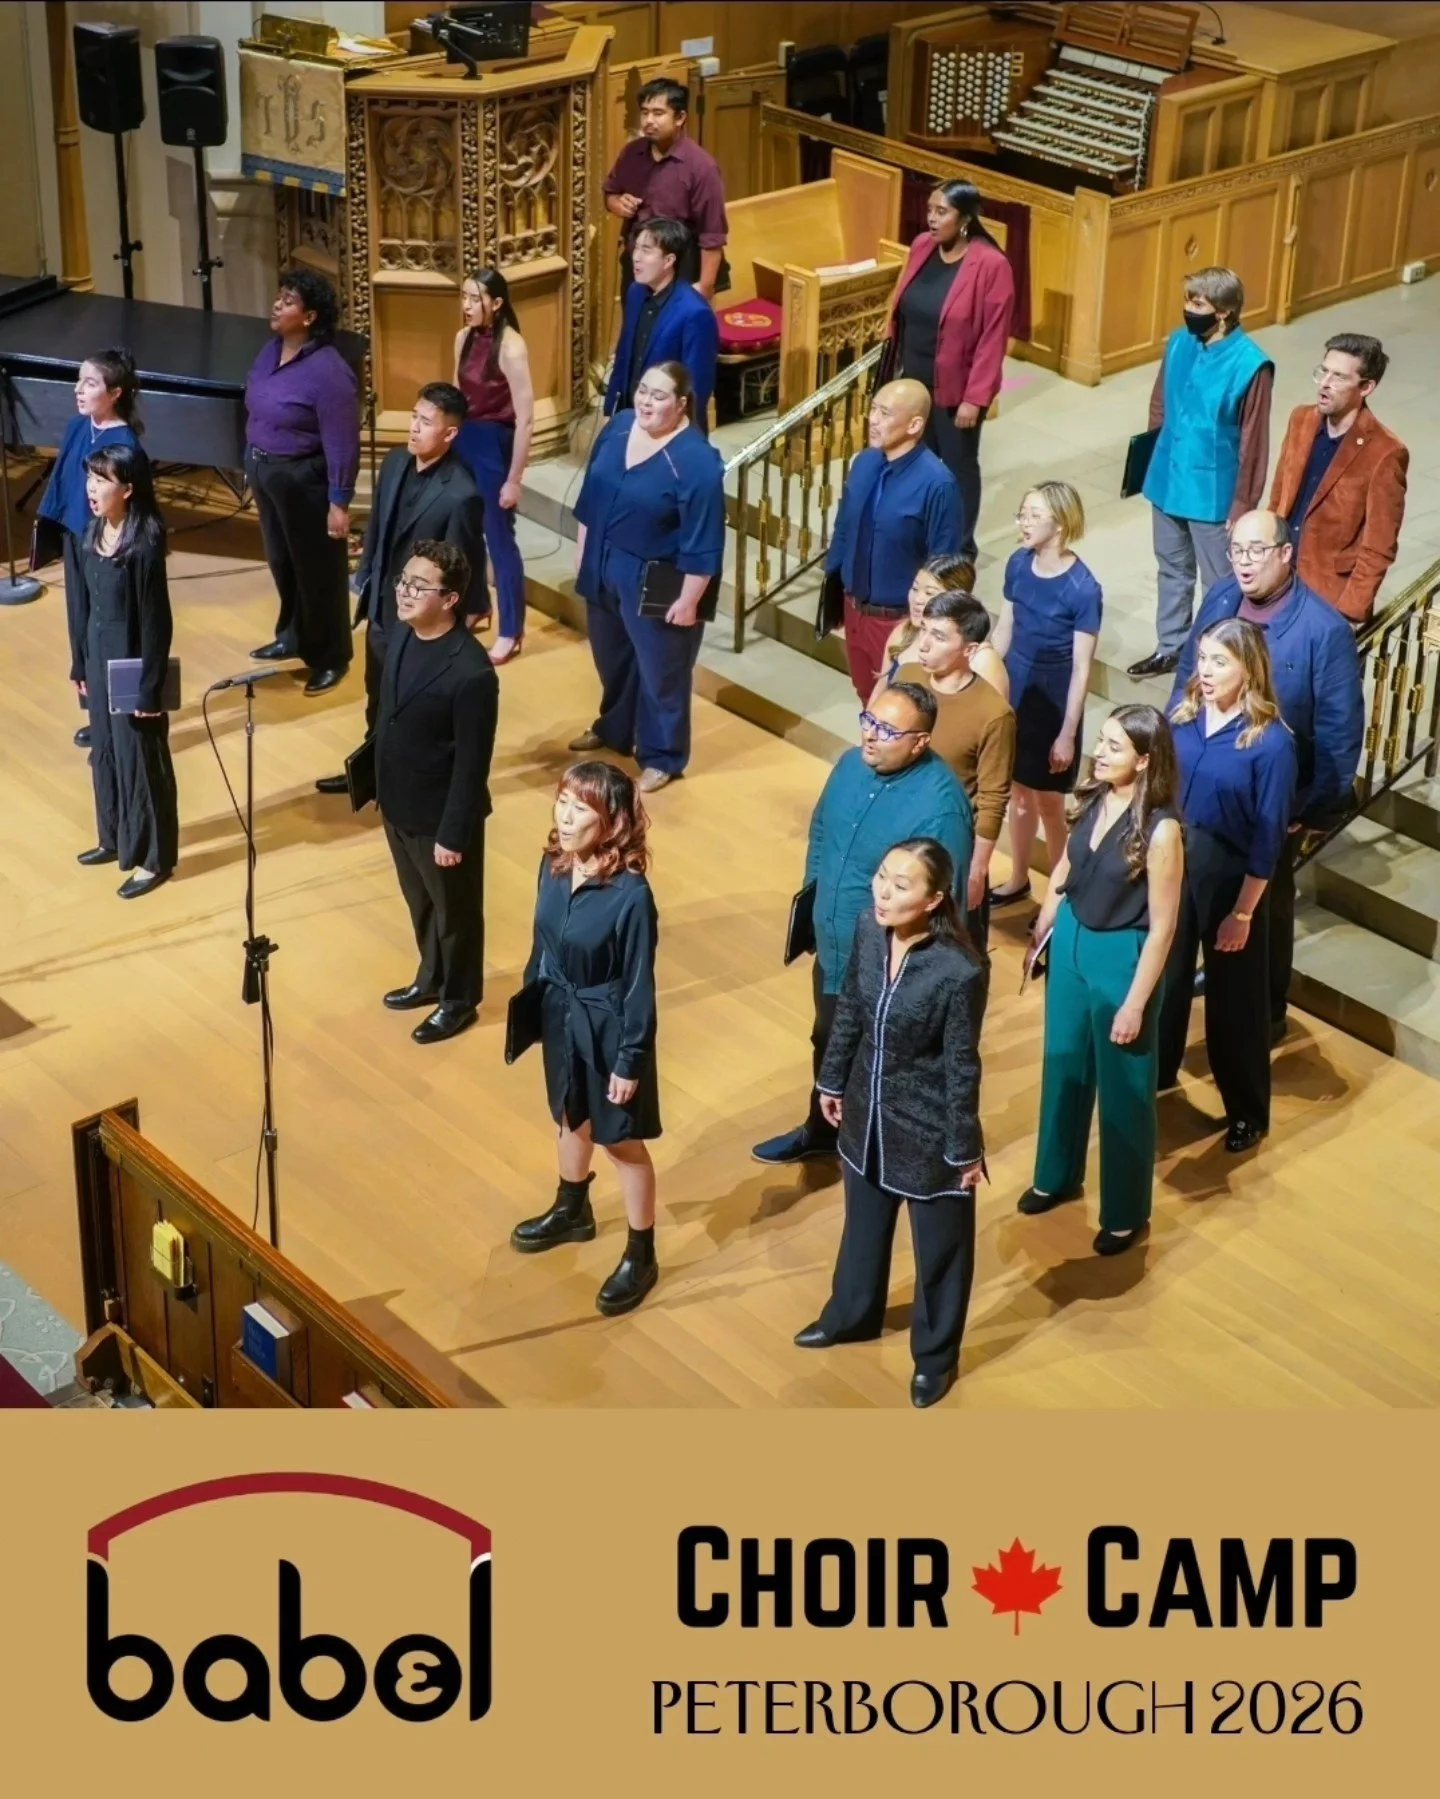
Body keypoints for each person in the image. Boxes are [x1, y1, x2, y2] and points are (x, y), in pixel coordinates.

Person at [795, 839, 986, 1410]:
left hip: (929, 1132)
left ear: (935, 899)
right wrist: (830, 1083)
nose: (883, 891)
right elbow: (849, 1009)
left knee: (941, 1255)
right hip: (864, 1113)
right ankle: (851, 1316)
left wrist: (964, 1150)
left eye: (902, 885)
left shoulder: (959, 970)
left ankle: (935, 1359)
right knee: (861, 1231)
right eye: (882, 877)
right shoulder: (866, 930)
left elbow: (961, 1067)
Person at [752, 683, 972, 1167]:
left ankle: (863, 1144)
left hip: (884, 960)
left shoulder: (941, 807)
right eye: (868, 722)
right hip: (833, 942)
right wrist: (812, 898)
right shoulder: (851, 764)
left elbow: (943, 904)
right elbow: (821, 830)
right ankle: (823, 1130)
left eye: (887, 730)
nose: (870, 737)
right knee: (828, 1038)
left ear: (920, 742)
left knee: (872, 1054)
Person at [1168, 510, 1363, 1039]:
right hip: (1205, 789)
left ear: (1285, 553)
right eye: (1236, 551)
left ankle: (1266, 1014)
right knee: (1196, 900)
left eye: (1257, 551)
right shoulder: (1221, 598)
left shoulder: (1323, 632)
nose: (1244, 563)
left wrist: (1307, 808)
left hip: (1273, 803)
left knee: (1265, 913)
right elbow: (1187, 679)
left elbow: (1340, 734)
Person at [1019, 706, 1184, 1253]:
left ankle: (1125, 1212)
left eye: (1114, 746)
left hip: (1123, 956)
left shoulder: (1163, 832)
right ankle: (1057, 1175)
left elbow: (1163, 929)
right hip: (1072, 937)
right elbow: (1068, 860)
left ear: (1143, 762)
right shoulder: (1094, 795)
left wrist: (1136, 1003)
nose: (1101, 752)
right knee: (1063, 1061)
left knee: (1125, 1091)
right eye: (1103, 741)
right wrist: (1047, 915)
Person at [510, 762, 662, 1317]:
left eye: (581, 808)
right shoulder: (551, 866)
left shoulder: (631, 896)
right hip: (560, 1014)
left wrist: (630, 1062)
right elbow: (541, 945)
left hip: (610, 1028)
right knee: (569, 1116)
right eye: (563, 802)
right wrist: (531, 1008)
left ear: (612, 822)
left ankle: (641, 1255)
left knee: (621, 1144)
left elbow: (640, 987)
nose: (566, 816)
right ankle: (572, 1209)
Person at [1159, 620, 1296, 1152]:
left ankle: (1246, 1111)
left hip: (1231, 877)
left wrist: (1242, 913)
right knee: (1166, 980)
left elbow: (1268, 838)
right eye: (1203, 658)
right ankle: (1159, 1073)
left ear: (1249, 669)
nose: (1206, 671)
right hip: (1177, 863)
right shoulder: (1184, 718)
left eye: (1219, 661)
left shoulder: (1272, 743)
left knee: (1235, 1004)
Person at [315, 383, 489, 796]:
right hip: (380, 609)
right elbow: (378, 528)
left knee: (406, 708)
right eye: (414, 416)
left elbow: (460, 573)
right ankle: (371, 775)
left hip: (419, 623)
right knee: (377, 698)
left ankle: (404, 785)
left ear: (449, 434)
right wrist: (367, 581)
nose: (413, 427)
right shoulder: (394, 463)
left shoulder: (462, 494)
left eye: (425, 422)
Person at [567, 361, 724, 795]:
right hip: (603, 561)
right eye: (643, 390)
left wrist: (690, 600)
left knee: (662, 672)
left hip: (658, 577)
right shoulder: (617, 428)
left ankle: (662, 756)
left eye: (659, 396)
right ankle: (615, 728)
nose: (646, 401)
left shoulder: (696, 462)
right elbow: (590, 499)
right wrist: (584, 560)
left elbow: (704, 540)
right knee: (610, 657)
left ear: (682, 405)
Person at [374, 540, 499, 1046]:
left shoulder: (471, 674)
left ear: (449, 600)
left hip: (442, 819)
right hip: (399, 803)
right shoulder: (406, 636)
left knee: (457, 914)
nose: (404, 593)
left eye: (418, 587)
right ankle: (431, 978)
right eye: (404, 581)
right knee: (421, 904)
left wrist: (453, 834)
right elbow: (390, 716)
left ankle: (459, 1000)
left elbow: (472, 765)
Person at [1130, 267, 1274, 678]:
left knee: (1219, 584)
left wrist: (1243, 505)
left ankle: (1216, 659)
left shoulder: (1252, 364)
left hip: (1213, 492)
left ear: (1225, 312)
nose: (1188, 309)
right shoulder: (1179, 342)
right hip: (1167, 480)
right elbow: (1159, 404)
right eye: (1189, 300)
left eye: (1198, 303)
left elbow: (1254, 441)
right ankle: (1170, 648)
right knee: (1171, 569)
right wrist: (1150, 460)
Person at [884, 180, 1016, 568]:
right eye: (929, 209)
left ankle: (958, 550)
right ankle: (922, 535)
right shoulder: (922, 247)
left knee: (956, 468)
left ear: (965, 218)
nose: (931, 218)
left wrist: (975, 399)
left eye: (941, 212)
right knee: (915, 461)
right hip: (913, 382)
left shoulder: (991, 265)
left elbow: (993, 338)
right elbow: (905, 304)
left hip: (956, 390)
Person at [244, 269, 360, 695]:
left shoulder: (329, 373)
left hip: (302, 480)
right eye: (280, 295)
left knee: (319, 573)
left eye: (288, 300)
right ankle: (292, 635)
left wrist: (339, 501)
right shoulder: (270, 350)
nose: (277, 304)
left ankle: (331, 656)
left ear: (309, 316)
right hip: (265, 471)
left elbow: (342, 440)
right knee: (282, 561)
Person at [989, 482, 1102, 909]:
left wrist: (1068, 733)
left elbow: (1081, 666)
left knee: (1051, 803)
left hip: (1053, 702)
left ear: (1060, 522)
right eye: (1022, 513)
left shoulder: (1082, 588)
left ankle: (1061, 894)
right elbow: (1004, 629)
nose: (1024, 522)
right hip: (1015, 688)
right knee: (1017, 794)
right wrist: (983, 683)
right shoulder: (1018, 564)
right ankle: (1018, 877)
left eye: (1034, 515)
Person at [74, 444, 178, 900]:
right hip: (98, 655)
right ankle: (114, 836)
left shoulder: (146, 540)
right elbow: (84, 606)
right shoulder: (93, 530)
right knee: (106, 751)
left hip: (133, 660)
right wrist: (80, 661)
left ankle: (156, 858)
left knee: (142, 760)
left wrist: (150, 690)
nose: (92, 489)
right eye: (90, 479)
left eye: (102, 481)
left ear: (129, 489)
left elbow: (158, 623)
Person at [825, 379, 962, 703]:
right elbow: (844, 528)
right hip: (854, 611)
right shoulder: (864, 463)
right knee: (865, 698)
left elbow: (944, 568)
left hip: (899, 621)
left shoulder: (938, 485)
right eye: (873, 409)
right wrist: (834, 599)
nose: (872, 419)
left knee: (898, 707)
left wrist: (923, 630)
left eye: (885, 413)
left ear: (915, 424)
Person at [896, 589, 1016, 950]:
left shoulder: (993, 714)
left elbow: (993, 798)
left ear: (970, 650)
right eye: (925, 631)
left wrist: (978, 867)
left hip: (947, 842)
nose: (924, 645)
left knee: (948, 943)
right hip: (898, 822)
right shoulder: (908, 676)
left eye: (939, 636)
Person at [37, 348, 144, 751]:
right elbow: (65, 483)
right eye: (78, 381)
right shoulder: (77, 427)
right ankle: (96, 713)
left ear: (114, 393)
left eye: (90, 383)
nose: (78, 391)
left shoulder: (125, 445)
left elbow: (132, 510)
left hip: (108, 550)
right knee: (80, 625)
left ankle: (121, 720)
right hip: (76, 540)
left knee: (110, 632)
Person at [1268, 332, 1408, 623]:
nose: (1325, 384)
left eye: (1339, 377)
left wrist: (1348, 612)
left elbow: (1379, 546)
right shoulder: (1301, 420)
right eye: (1323, 372)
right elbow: (1278, 498)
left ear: (1366, 386)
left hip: (1325, 594)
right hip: (1278, 576)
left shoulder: (1385, 452)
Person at [454, 268, 534, 664]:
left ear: (497, 303)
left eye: (474, 299)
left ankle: (511, 630)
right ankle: (476, 605)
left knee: (499, 539)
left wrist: (514, 479)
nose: (466, 306)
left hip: (495, 445)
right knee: (464, 528)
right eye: (464, 297)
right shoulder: (462, 338)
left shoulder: (512, 347)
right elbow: (457, 396)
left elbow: (526, 419)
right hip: (466, 439)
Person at [603, 78, 728, 298]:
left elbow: (712, 235)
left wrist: (704, 289)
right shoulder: (632, 153)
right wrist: (617, 204)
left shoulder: (701, 167)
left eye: (658, 113)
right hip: (638, 265)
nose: (648, 121)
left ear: (680, 118)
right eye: (644, 112)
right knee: (636, 329)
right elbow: (610, 193)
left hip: (681, 269)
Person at [604, 217, 719, 426]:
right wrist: (609, 410)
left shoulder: (695, 313)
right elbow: (624, 355)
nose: (636, 257)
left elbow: (697, 387)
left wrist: (676, 434)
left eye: (646, 250)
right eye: (636, 248)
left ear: (669, 261)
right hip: (630, 417)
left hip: (669, 428)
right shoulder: (635, 292)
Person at [870, 552, 1008, 705]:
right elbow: (880, 691)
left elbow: (995, 720)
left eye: (929, 593)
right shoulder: (903, 632)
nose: (917, 599)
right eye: (915, 589)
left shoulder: (982, 659)